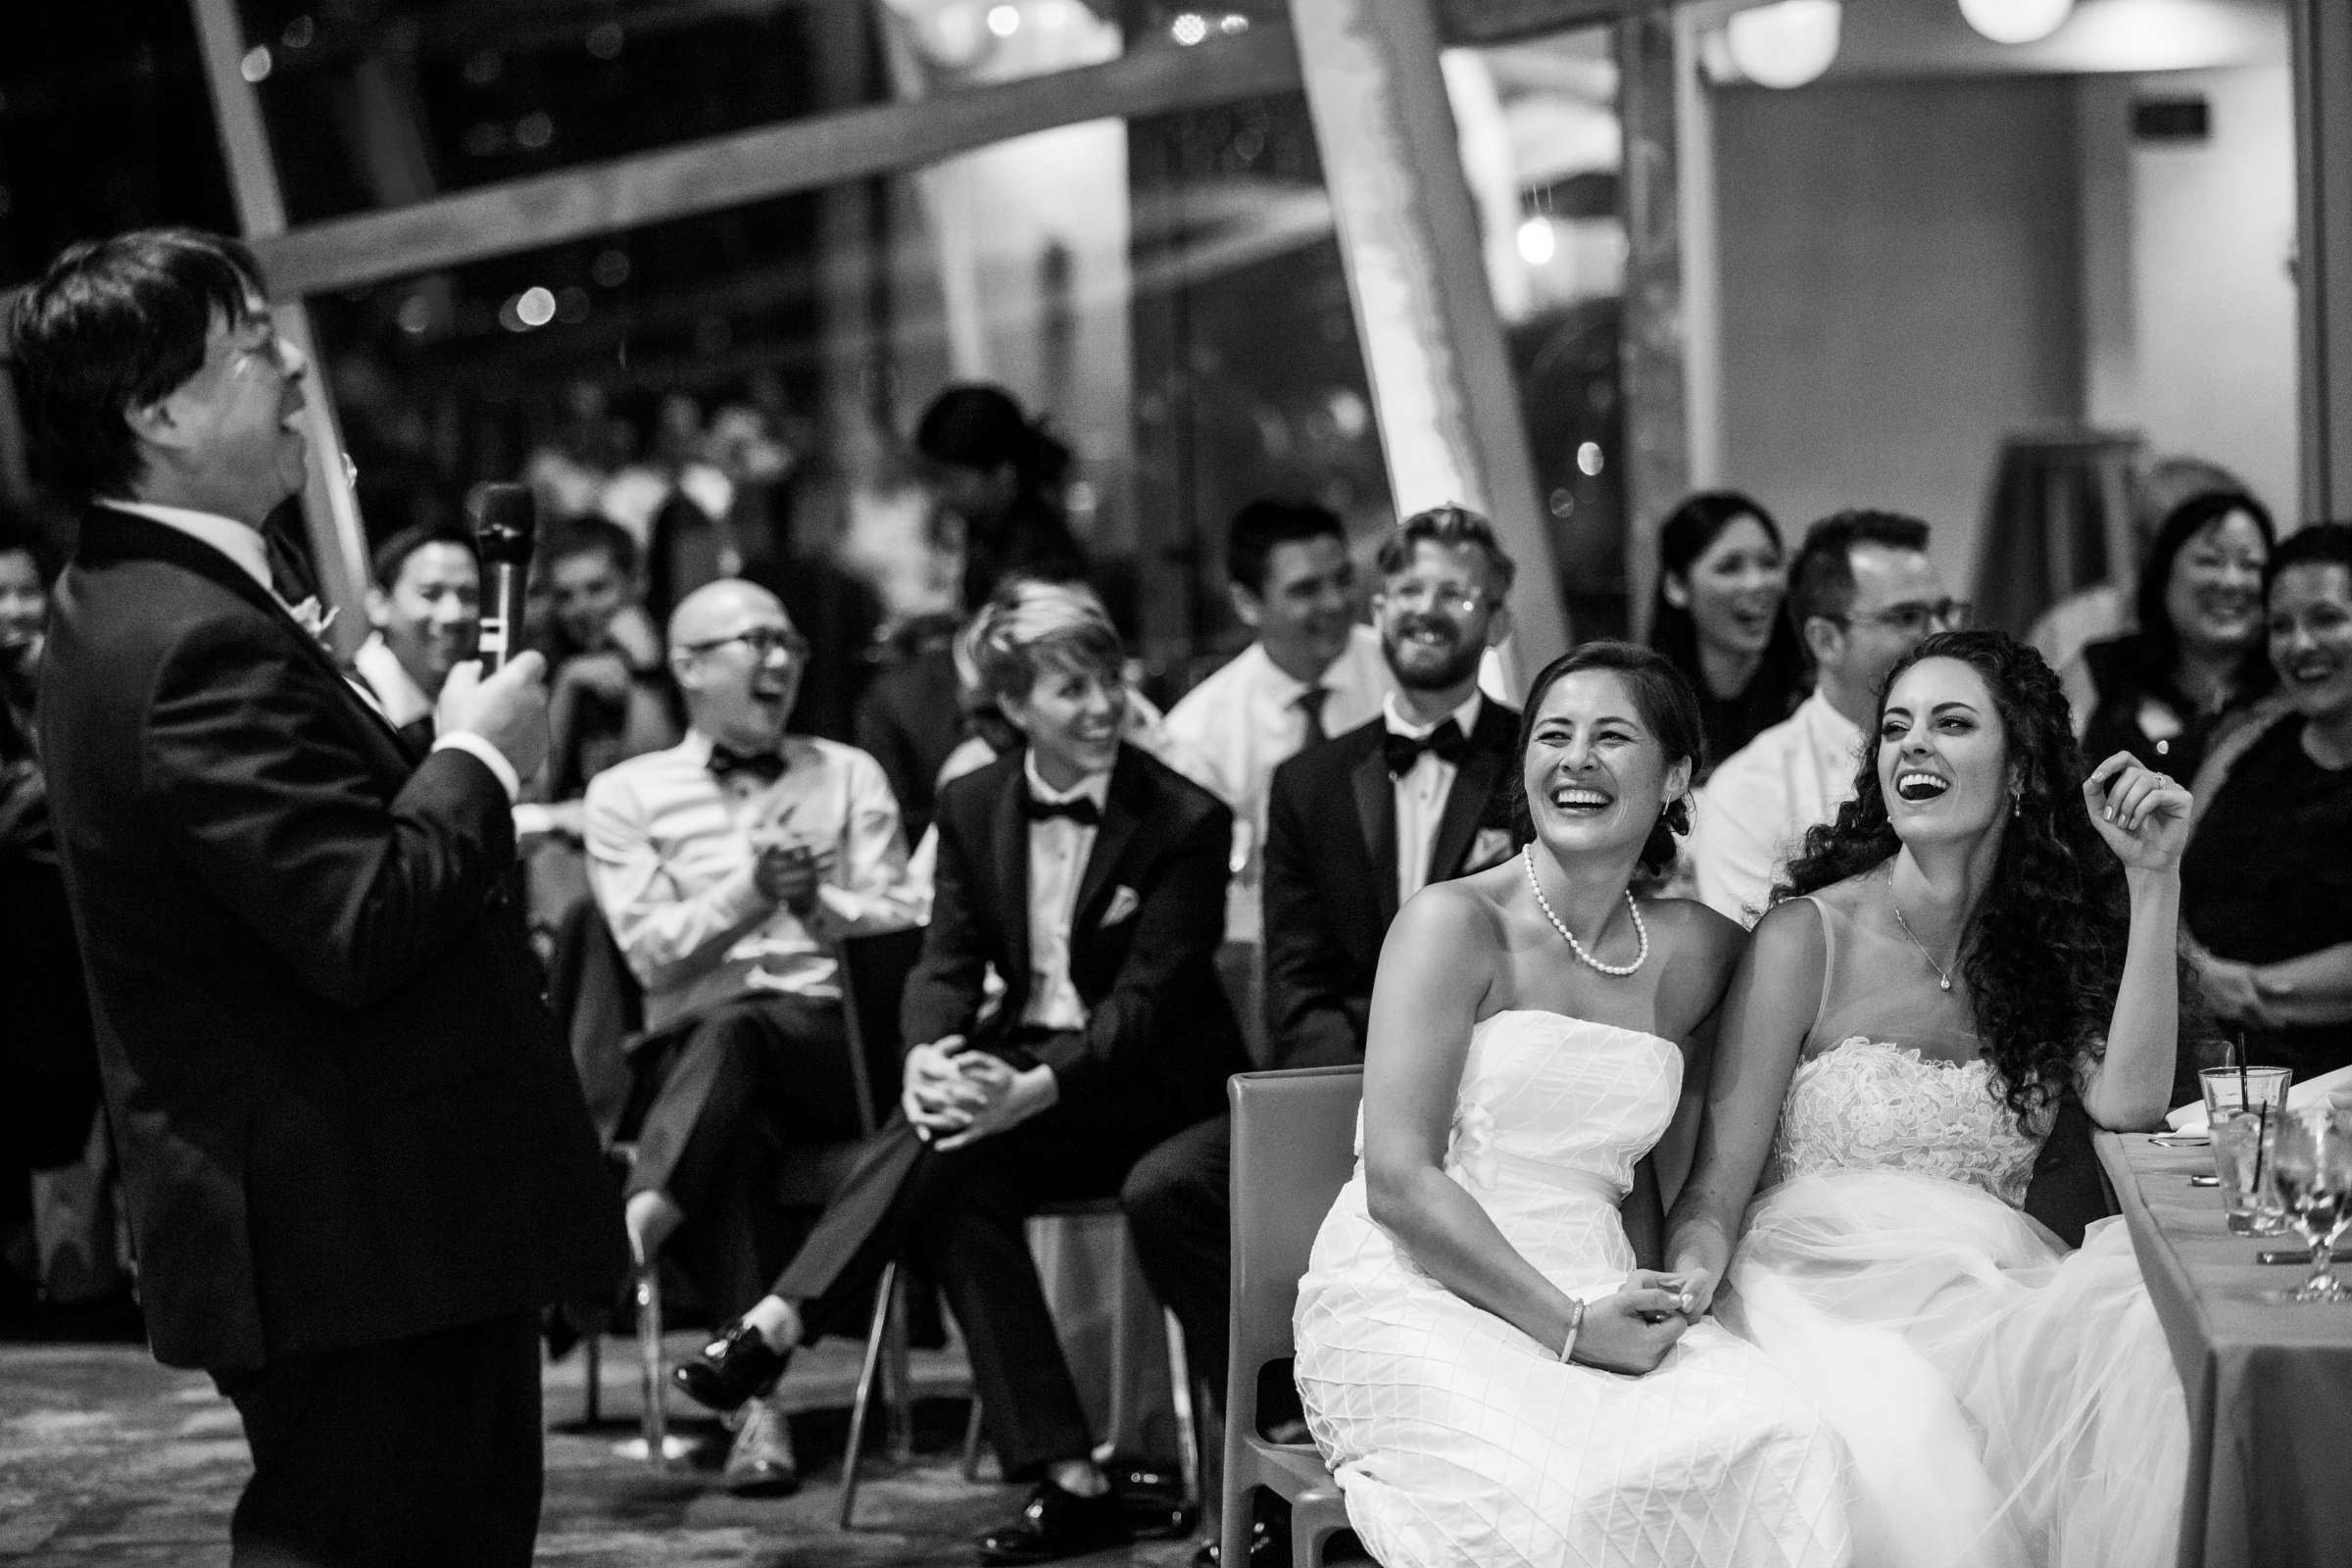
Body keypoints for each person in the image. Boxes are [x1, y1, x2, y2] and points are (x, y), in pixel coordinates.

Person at [12, 227, 621, 1567]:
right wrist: (472, 756)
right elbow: (355, 918)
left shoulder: (142, 594)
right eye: (251, 347)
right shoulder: (183, 638)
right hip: (352, 1223)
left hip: (360, 1215)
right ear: (158, 411)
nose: (293, 365)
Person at [670, 579, 1247, 1565]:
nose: (1105, 705)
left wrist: (1024, 1090)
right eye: (1073, 689)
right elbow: (944, 962)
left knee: (953, 1138)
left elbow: (1144, 1007)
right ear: (1015, 706)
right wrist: (931, 1053)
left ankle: (777, 1316)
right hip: (1032, 1070)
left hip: (1155, 1092)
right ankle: (1069, 1476)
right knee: (956, 1179)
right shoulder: (973, 804)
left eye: (1109, 679)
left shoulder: (1185, 818)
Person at [1291, 641, 1852, 1568]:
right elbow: (1396, 1179)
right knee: (1570, 1508)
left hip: (1598, 1282)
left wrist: (1658, 1285)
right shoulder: (1452, 924)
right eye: (1552, 735)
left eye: (1612, 737)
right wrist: (1567, 1326)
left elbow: (1823, 957)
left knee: (1794, 1445)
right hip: (1418, 1290)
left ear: (1676, 776)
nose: (1575, 760)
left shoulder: (1696, 949)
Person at [1666, 630, 2192, 1568]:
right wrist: (1687, 1293)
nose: (1915, 745)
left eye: (1953, 724)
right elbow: (1714, 1189)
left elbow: (2130, 1104)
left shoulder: (2040, 951)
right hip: (1816, 1308)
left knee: (2148, 1326)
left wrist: (2155, 881)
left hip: (1988, 1306)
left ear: (2021, 764)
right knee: (1911, 1444)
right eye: (1897, 727)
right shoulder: (1806, 939)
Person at [1123, 504, 1521, 1415]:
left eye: (1458, 592)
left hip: (1488, 1093)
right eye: (1409, 589)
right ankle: (1282, 1430)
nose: (1428, 608)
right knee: (1168, 1189)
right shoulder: (1306, 783)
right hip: (1338, 1082)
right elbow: (1296, 983)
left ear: (1497, 620)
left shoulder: (1536, 761)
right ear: (1377, 609)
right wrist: (1373, 1094)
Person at [581, 577, 918, 1495]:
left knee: (746, 1038)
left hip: (831, 1043)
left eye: (790, 644)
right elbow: (652, 959)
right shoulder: (625, 794)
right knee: (735, 1108)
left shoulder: (847, 772)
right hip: (693, 1057)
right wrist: (750, 893)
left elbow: (901, 924)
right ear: (689, 667)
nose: (780, 661)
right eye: (754, 642)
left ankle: (632, 1230)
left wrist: (817, 901)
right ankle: (753, 1408)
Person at [1689, 510, 1960, 924]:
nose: (1939, 634)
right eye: (1908, 617)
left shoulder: (1983, 753)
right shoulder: (1753, 791)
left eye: (1945, 612)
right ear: (1825, 640)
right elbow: (1764, 968)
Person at [1161, 498, 1396, 945]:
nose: (1335, 603)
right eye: (1306, 590)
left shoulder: (1404, 679)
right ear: (1247, 602)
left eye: (1343, 580)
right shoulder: (1200, 733)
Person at [2183, 522, 2352, 1083]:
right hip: (2211, 1061)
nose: (2301, 645)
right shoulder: (2248, 739)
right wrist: (2196, 968)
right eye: (2281, 626)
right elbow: (2166, 870)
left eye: (2326, 618)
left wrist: (2249, 989)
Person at [2063, 488, 2275, 784]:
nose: (2231, 581)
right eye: (2209, 561)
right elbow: (2046, 773)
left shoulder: (2285, 685)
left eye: (2250, 565)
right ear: (2164, 573)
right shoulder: (2103, 669)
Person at [1645, 489, 1806, 781]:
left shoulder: (1808, 703)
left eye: (1769, 564)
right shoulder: (1646, 708)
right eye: (1730, 567)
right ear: (1676, 586)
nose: (1757, 583)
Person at [537, 515, 679, 800]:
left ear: (637, 582)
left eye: (597, 588)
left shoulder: (677, 649)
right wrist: (567, 682)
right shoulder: (544, 660)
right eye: (565, 596)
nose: (581, 608)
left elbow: (657, 780)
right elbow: (538, 789)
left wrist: (644, 667)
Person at [915, 383, 1088, 612]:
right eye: (932, 480)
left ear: (1002, 474)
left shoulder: (1036, 556)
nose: (939, 495)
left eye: (949, 480)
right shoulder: (986, 528)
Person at [351, 523, 480, 749]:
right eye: (431, 594)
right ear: (379, 604)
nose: (454, 614)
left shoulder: (474, 702)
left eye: (469, 595)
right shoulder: (347, 704)